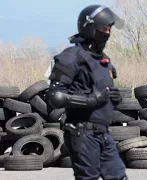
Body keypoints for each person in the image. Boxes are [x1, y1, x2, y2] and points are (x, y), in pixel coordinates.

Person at [45, 5, 128, 180]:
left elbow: (103, 92)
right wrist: (91, 100)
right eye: (104, 28)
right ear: (89, 26)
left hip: (104, 133)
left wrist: (115, 98)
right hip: (82, 133)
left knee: (118, 177)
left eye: (110, 29)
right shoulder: (71, 57)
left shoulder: (104, 61)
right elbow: (54, 97)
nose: (108, 33)